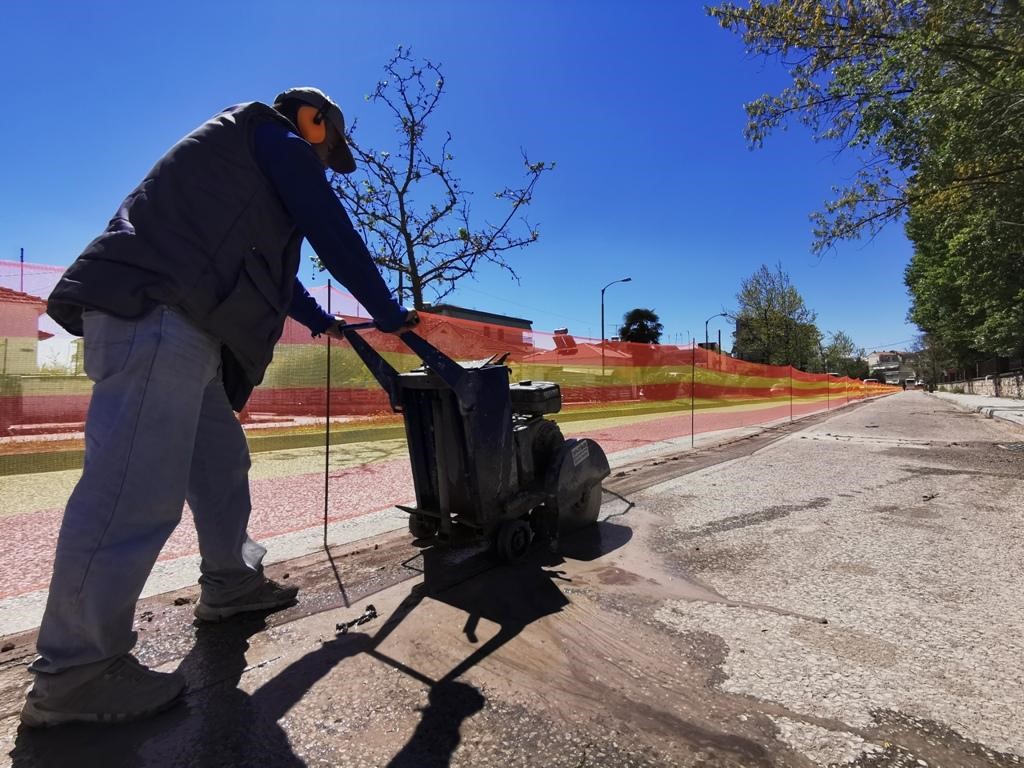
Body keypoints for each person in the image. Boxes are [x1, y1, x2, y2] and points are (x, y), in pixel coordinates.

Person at [21, 87, 418, 727]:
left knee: (220, 465)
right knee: (133, 488)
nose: (325, 162)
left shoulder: (243, 168)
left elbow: (274, 273)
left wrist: (323, 322)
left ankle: (231, 583)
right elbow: (328, 223)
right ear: (314, 121)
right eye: (329, 148)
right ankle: (77, 673)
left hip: (188, 323)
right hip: (157, 311)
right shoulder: (272, 136)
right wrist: (385, 309)